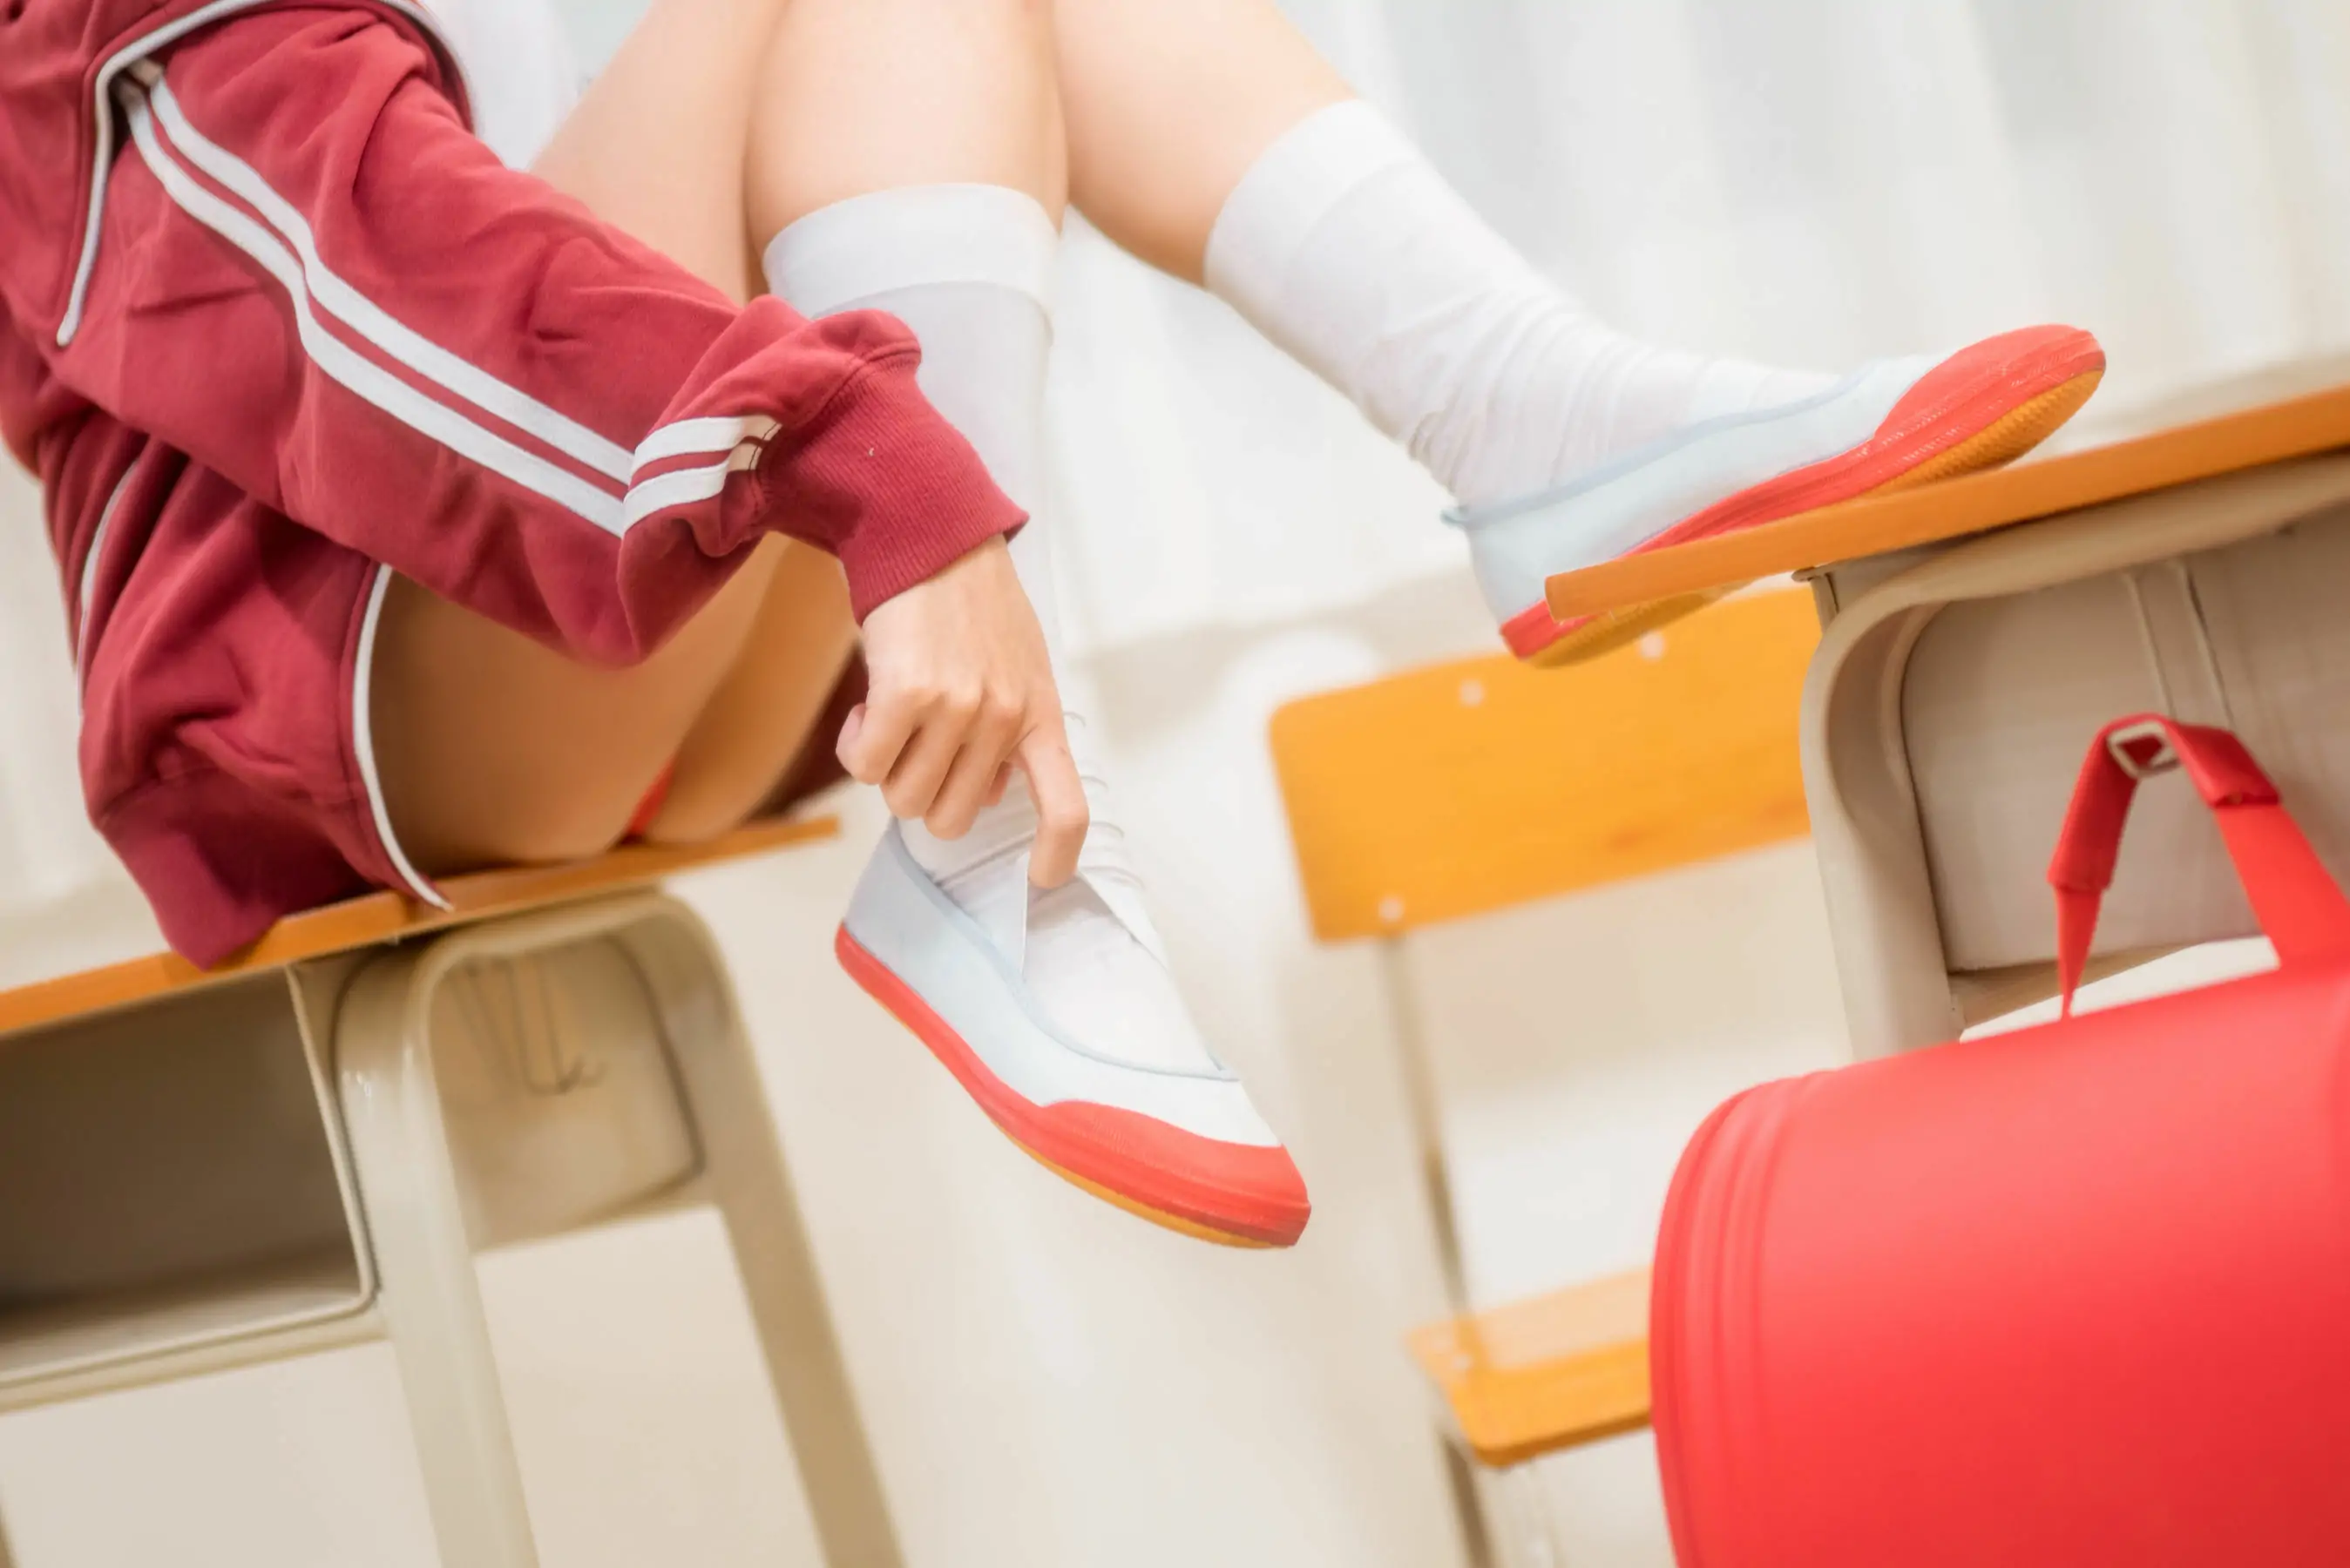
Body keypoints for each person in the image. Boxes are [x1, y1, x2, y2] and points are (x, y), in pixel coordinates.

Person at [0, 0, 2100, 1251]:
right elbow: (374, 307)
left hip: (667, 621)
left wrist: (881, 490)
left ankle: (1507, 422)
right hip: (355, 693)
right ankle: (1017, 816)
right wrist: (897, 490)